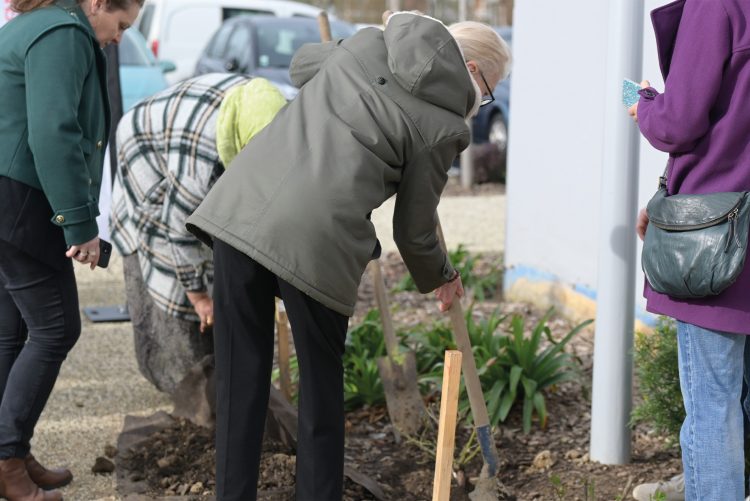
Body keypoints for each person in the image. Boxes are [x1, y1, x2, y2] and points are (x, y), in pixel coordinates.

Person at [186, 11, 511, 501]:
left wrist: (364, 44)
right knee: (320, 392)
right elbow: (414, 228)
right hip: (317, 241)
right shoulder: (445, 126)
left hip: (241, 211)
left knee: (239, 381)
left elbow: (301, 67)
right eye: (487, 87)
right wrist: (441, 276)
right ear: (469, 65)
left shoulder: (365, 45)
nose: (481, 101)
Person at [0, 0, 141, 498]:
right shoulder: (63, 32)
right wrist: (79, 224)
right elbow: (54, 134)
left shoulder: (35, 25)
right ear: (99, 4)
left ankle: (8, 449)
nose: (120, 36)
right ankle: (7, 460)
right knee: (56, 327)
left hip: (6, 194)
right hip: (18, 198)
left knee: (11, 329)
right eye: (121, 24)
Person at [628, 0, 750, 500]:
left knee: (713, 408)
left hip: (722, 238)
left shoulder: (716, 5)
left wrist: (645, 104)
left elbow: (678, 123)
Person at [110, 74, 287, 397]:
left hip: (190, 117)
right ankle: (181, 387)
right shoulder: (198, 165)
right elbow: (178, 228)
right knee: (165, 261)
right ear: (241, 143)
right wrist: (200, 297)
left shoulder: (280, 120)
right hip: (144, 147)